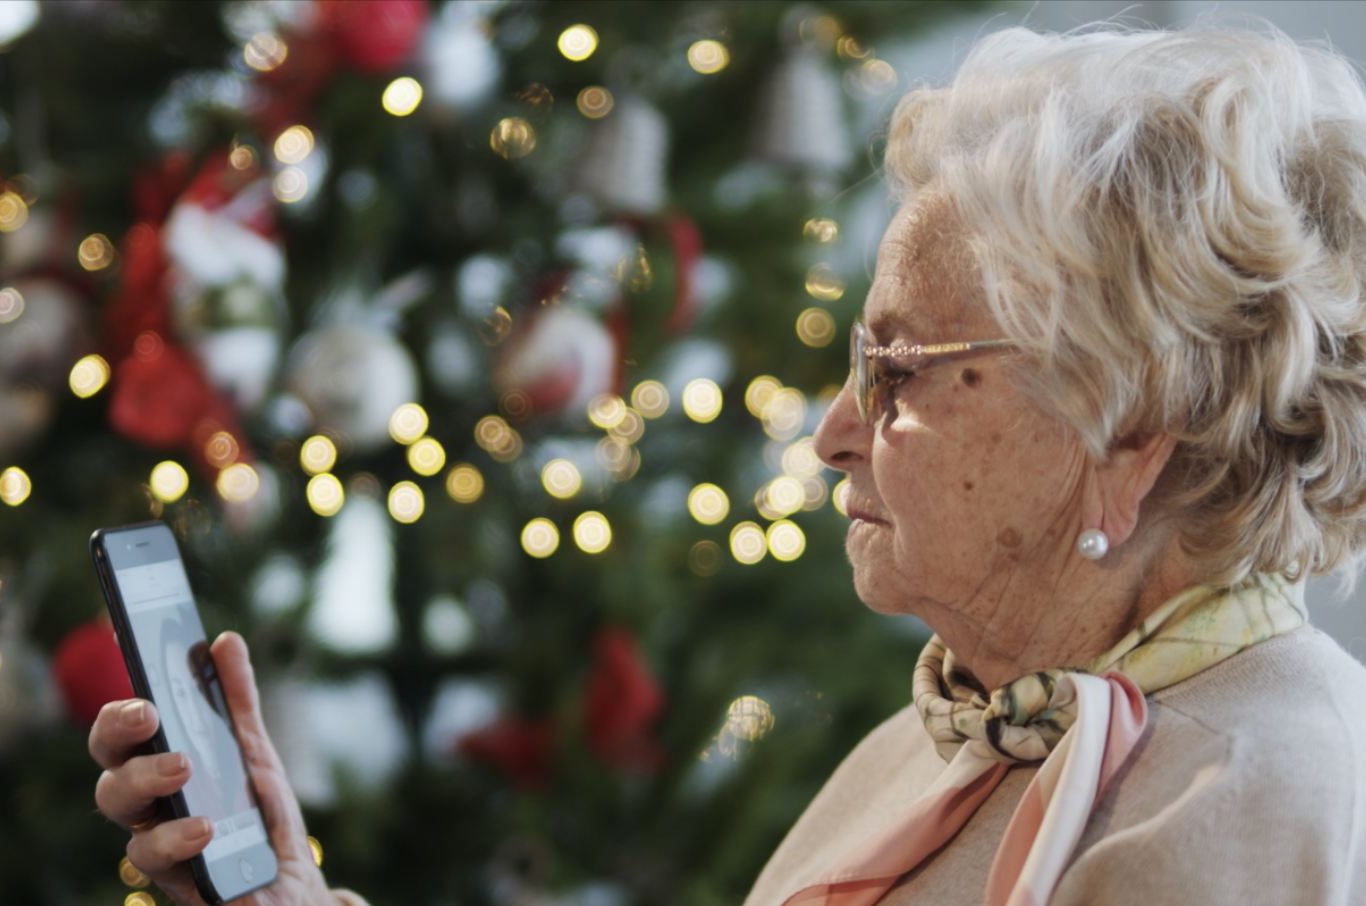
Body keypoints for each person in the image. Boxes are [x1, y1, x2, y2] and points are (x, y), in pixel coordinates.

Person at [90, 22, 1366, 906]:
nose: (834, 429)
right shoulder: (978, 724)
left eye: (899, 368)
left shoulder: (1248, 805)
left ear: (1128, 436)